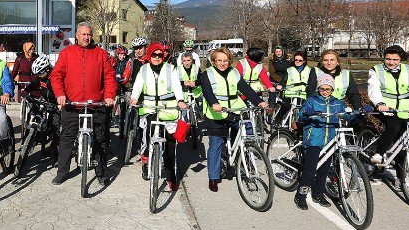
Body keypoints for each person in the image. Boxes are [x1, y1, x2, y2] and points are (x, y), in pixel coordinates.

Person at [50, 22, 117, 186]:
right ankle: (63, 172)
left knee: (101, 140)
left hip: (96, 104)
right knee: (66, 138)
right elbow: (56, 76)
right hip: (73, 104)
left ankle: (101, 173)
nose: (86, 37)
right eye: (83, 34)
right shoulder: (67, 53)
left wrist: (109, 96)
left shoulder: (101, 54)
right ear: (77, 36)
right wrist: (60, 95)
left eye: (89, 34)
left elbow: (109, 77)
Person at [201, 47, 267, 192]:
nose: (222, 63)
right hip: (216, 114)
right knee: (216, 144)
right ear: (213, 61)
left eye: (225, 61)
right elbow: (207, 92)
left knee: (247, 135)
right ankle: (213, 177)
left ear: (229, 61)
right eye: (219, 61)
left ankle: (243, 163)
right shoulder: (207, 74)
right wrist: (213, 103)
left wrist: (259, 102)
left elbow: (245, 89)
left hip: (236, 109)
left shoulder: (234, 72)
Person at [130, 42, 188, 191]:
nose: (157, 57)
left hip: (168, 109)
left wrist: (180, 100)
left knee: (169, 144)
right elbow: (137, 85)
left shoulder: (171, 69)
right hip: (149, 109)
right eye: (154, 55)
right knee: (147, 135)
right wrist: (134, 98)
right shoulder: (143, 69)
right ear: (149, 55)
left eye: (160, 55)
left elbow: (176, 86)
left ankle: (170, 175)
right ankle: (146, 162)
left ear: (163, 56)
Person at [294, 74, 347, 210]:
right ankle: (300, 196)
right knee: (310, 170)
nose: (324, 92)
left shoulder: (337, 102)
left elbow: (345, 114)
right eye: (322, 89)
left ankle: (318, 194)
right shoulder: (312, 100)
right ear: (318, 89)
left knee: (324, 170)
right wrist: (307, 111)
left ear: (332, 89)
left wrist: (355, 114)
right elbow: (301, 114)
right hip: (314, 140)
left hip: (330, 141)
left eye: (327, 89)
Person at [23, 55, 60, 161]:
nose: (39, 76)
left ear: (47, 69)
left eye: (40, 73)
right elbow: (34, 84)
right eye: (37, 74)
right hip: (44, 101)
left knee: (55, 127)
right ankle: (27, 140)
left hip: (55, 104)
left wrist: (60, 104)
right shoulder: (40, 77)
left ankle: (56, 155)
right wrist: (26, 91)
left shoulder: (55, 77)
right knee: (33, 114)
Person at [274, 51, 314, 127]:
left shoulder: (310, 70)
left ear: (304, 61)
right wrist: (281, 86)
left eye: (300, 60)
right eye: (296, 60)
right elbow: (284, 81)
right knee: (285, 106)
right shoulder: (289, 70)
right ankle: (277, 121)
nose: (297, 62)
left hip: (303, 95)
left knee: (304, 111)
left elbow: (312, 84)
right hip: (290, 94)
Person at [113, 45, 131, 129]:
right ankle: (115, 117)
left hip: (124, 83)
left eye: (124, 55)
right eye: (120, 54)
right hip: (115, 83)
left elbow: (128, 71)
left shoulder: (127, 61)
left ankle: (124, 116)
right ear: (117, 54)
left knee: (125, 101)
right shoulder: (114, 61)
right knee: (115, 100)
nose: (122, 56)